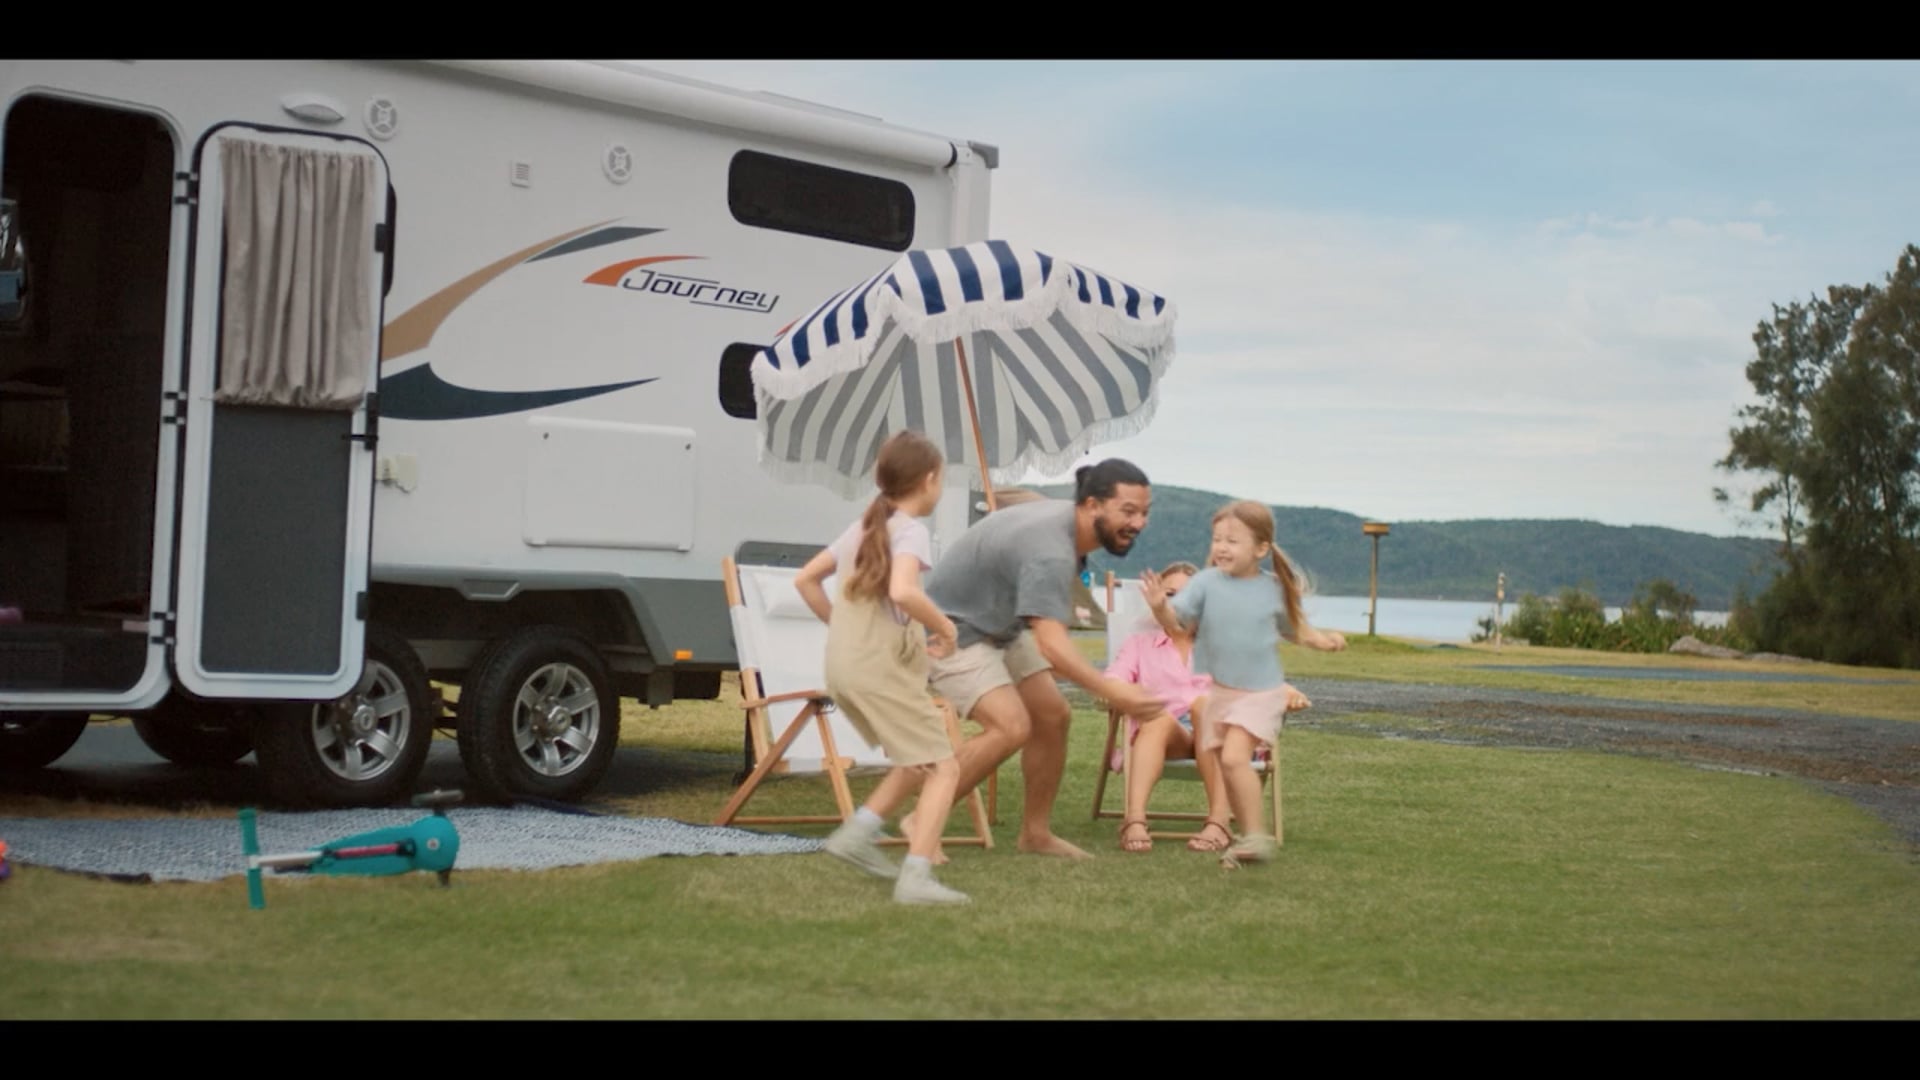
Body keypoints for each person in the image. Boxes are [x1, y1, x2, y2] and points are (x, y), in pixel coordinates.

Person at [915, 459, 1168, 861]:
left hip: (1000, 627)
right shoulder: (1051, 550)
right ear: (1091, 505)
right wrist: (1116, 692)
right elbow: (1052, 645)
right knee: (1010, 726)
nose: (1139, 523)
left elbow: (1048, 633)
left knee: (1052, 715)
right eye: (1128, 511)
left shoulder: (1066, 526)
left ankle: (1035, 833)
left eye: (1144, 512)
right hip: (946, 632)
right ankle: (921, 822)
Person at [794, 431, 969, 904]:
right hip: (877, 672)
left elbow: (806, 580)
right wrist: (946, 628)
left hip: (844, 668)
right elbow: (904, 592)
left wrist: (848, 631)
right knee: (944, 767)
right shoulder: (910, 530)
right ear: (929, 480)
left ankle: (856, 836)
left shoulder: (863, 528)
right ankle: (915, 878)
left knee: (916, 762)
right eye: (941, 479)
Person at [1142, 500, 1346, 864]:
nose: (1221, 547)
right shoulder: (1205, 584)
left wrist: (1324, 641)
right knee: (1229, 762)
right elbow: (1176, 623)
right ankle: (1248, 834)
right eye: (1217, 539)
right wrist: (1160, 607)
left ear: (1261, 548)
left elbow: (1294, 630)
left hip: (1260, 692)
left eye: (1232, 541)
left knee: (1235, 757)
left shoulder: (1270, 589)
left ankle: (1253, 837)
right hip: (1222, 694)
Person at [1106, 561, 1310, 854]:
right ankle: (1135, 819)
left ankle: (1219, 822)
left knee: (1205, 706)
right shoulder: (1140, 644)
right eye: (1170, 594)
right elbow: (1112, 680)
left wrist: (1287, 692)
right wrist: (1128, 694)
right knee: (1159, 718)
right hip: (1168, 737)